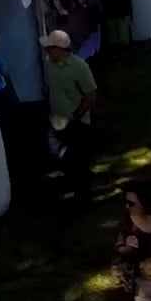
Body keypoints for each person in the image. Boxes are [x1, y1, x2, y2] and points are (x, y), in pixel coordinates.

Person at [41, 30, 99, 201]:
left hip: (76, 123)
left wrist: (77, 115)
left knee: (77, 160)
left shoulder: (80, 67)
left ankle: (84, 197)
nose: (46, 50)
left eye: (49, 48)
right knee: (59, 155)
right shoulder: (49, 64)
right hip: (56, 119)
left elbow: (91, 94)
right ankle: (76, 182)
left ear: (59, 49)